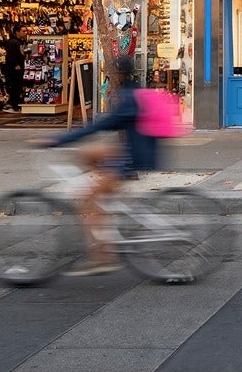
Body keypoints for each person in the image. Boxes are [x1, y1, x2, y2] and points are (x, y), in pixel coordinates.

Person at [44, 55, 162, 276]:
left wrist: (58, 140)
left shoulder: (127, 98)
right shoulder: (131, 91)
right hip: (135, 149)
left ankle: (103, 258)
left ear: (117, 74)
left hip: (133, 157)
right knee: (87, 153)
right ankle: (105, 189)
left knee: (87, 201)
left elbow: (98, 127)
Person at [1, 26, 25, 113]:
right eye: (23, 31)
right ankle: (12, 105)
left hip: (18, 69)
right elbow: (10, 56)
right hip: (13, 70)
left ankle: (15, 104)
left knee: (17, 87)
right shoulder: (12, 42)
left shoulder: (19, 42)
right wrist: (16, 65)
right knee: (14, 87)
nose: (24, 32)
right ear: (17, 32)